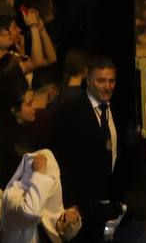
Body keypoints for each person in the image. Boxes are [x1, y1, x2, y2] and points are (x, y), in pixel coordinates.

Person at [52, 57, 120, 242]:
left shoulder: (118, 108)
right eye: (101, 81)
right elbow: (64, 160)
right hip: (82, 203)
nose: (107, 86)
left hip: (110, 200)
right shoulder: (70, 112)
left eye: (111, 81)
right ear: (89, 80)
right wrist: (71, 204)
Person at [0, 148, 81, 243]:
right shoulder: (12, 196)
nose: (71, 219)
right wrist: (39, 175)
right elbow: (30, 212)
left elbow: (34, 211)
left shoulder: (43, 197)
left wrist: (39, 176)